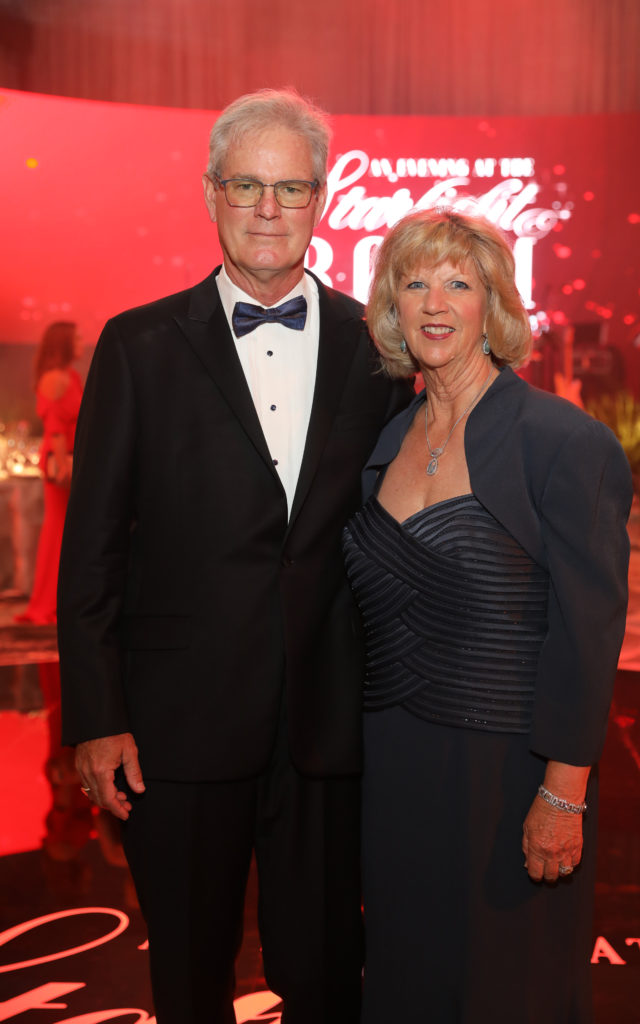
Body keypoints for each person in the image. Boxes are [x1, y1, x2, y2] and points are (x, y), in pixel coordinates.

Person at [57, 88, 412, 1024]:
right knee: (188, 981)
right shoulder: (137, 345)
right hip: (174, 730)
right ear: (211, 192)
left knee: (328, 980)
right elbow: (91, 548)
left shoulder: (377, 349)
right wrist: (97, 717)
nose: (266, 208)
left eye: (290, 188)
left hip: (328, 729)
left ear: (320, 199)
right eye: (246, 185)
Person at [343, 209, 632, 1023]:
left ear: (492, 305)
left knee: (510, 991)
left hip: (509, 780)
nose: (434, 302)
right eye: (413, 283)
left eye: (457, 283)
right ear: (391, 308)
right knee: (407, 983)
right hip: (395, 774)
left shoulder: (561, 441)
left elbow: (587, 633)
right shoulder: (384, 442)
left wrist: (562, 796)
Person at [15, 321, 83, 625]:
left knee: (64, 531)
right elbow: (55, 426)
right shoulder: (55, 378)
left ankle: (56, 600)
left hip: (69, 459)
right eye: (76, 338)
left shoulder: (71, 376)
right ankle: (46, 603)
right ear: (65, 343)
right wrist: (63, 464)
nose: (81, 342)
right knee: (56, 531)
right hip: (61, 463)